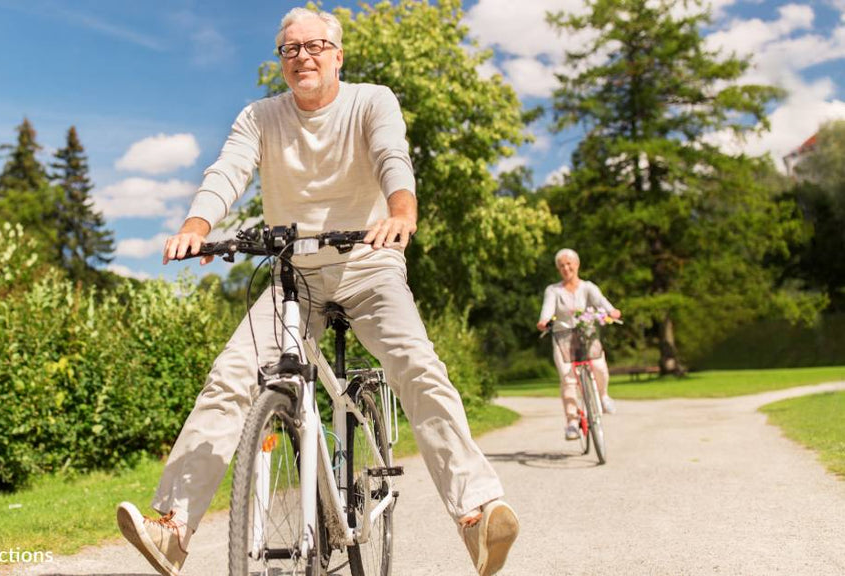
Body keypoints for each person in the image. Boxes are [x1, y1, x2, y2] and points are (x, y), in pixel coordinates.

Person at [115, 7, 518, 576]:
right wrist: (196, 227)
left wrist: (402, 211)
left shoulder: (371, 101)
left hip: (369, 264)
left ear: (338, 54)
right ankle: (174, 529)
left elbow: (391, 157)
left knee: (418, 366)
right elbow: (226, 172)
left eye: (314, 45)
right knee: (231, 377)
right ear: (281, 61)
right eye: (289, 49)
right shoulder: (260, 116)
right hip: (293, 276)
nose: (302, 56)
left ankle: (477, 515)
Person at [536, 248, 622, 440]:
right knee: (568, 378)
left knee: (599, 366)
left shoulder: (588, 287)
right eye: (562, 266)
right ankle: (572, 422)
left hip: (587, 335)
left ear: (577, 265)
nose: (566, 268)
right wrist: (544, 321)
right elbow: (547, 310)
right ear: (558, 269)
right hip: (563, 337)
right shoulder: (553, 290)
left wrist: (612, 311)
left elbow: (602, 302)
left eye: (569, 264)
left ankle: (603, 396)